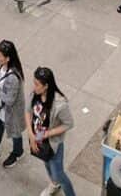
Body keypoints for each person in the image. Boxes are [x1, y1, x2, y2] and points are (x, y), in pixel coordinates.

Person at [26, 67, 76, 196]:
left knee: (59, 173)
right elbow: (27, 112)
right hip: (38, 137)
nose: (34, 86)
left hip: (53, 142)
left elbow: (69, 124)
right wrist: (32, 136)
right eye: (34, 82)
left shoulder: (60, 104)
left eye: (37, 84)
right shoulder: (35, 94)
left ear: (46, 86)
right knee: (46, 163)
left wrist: (48, 133)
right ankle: (54, 184)